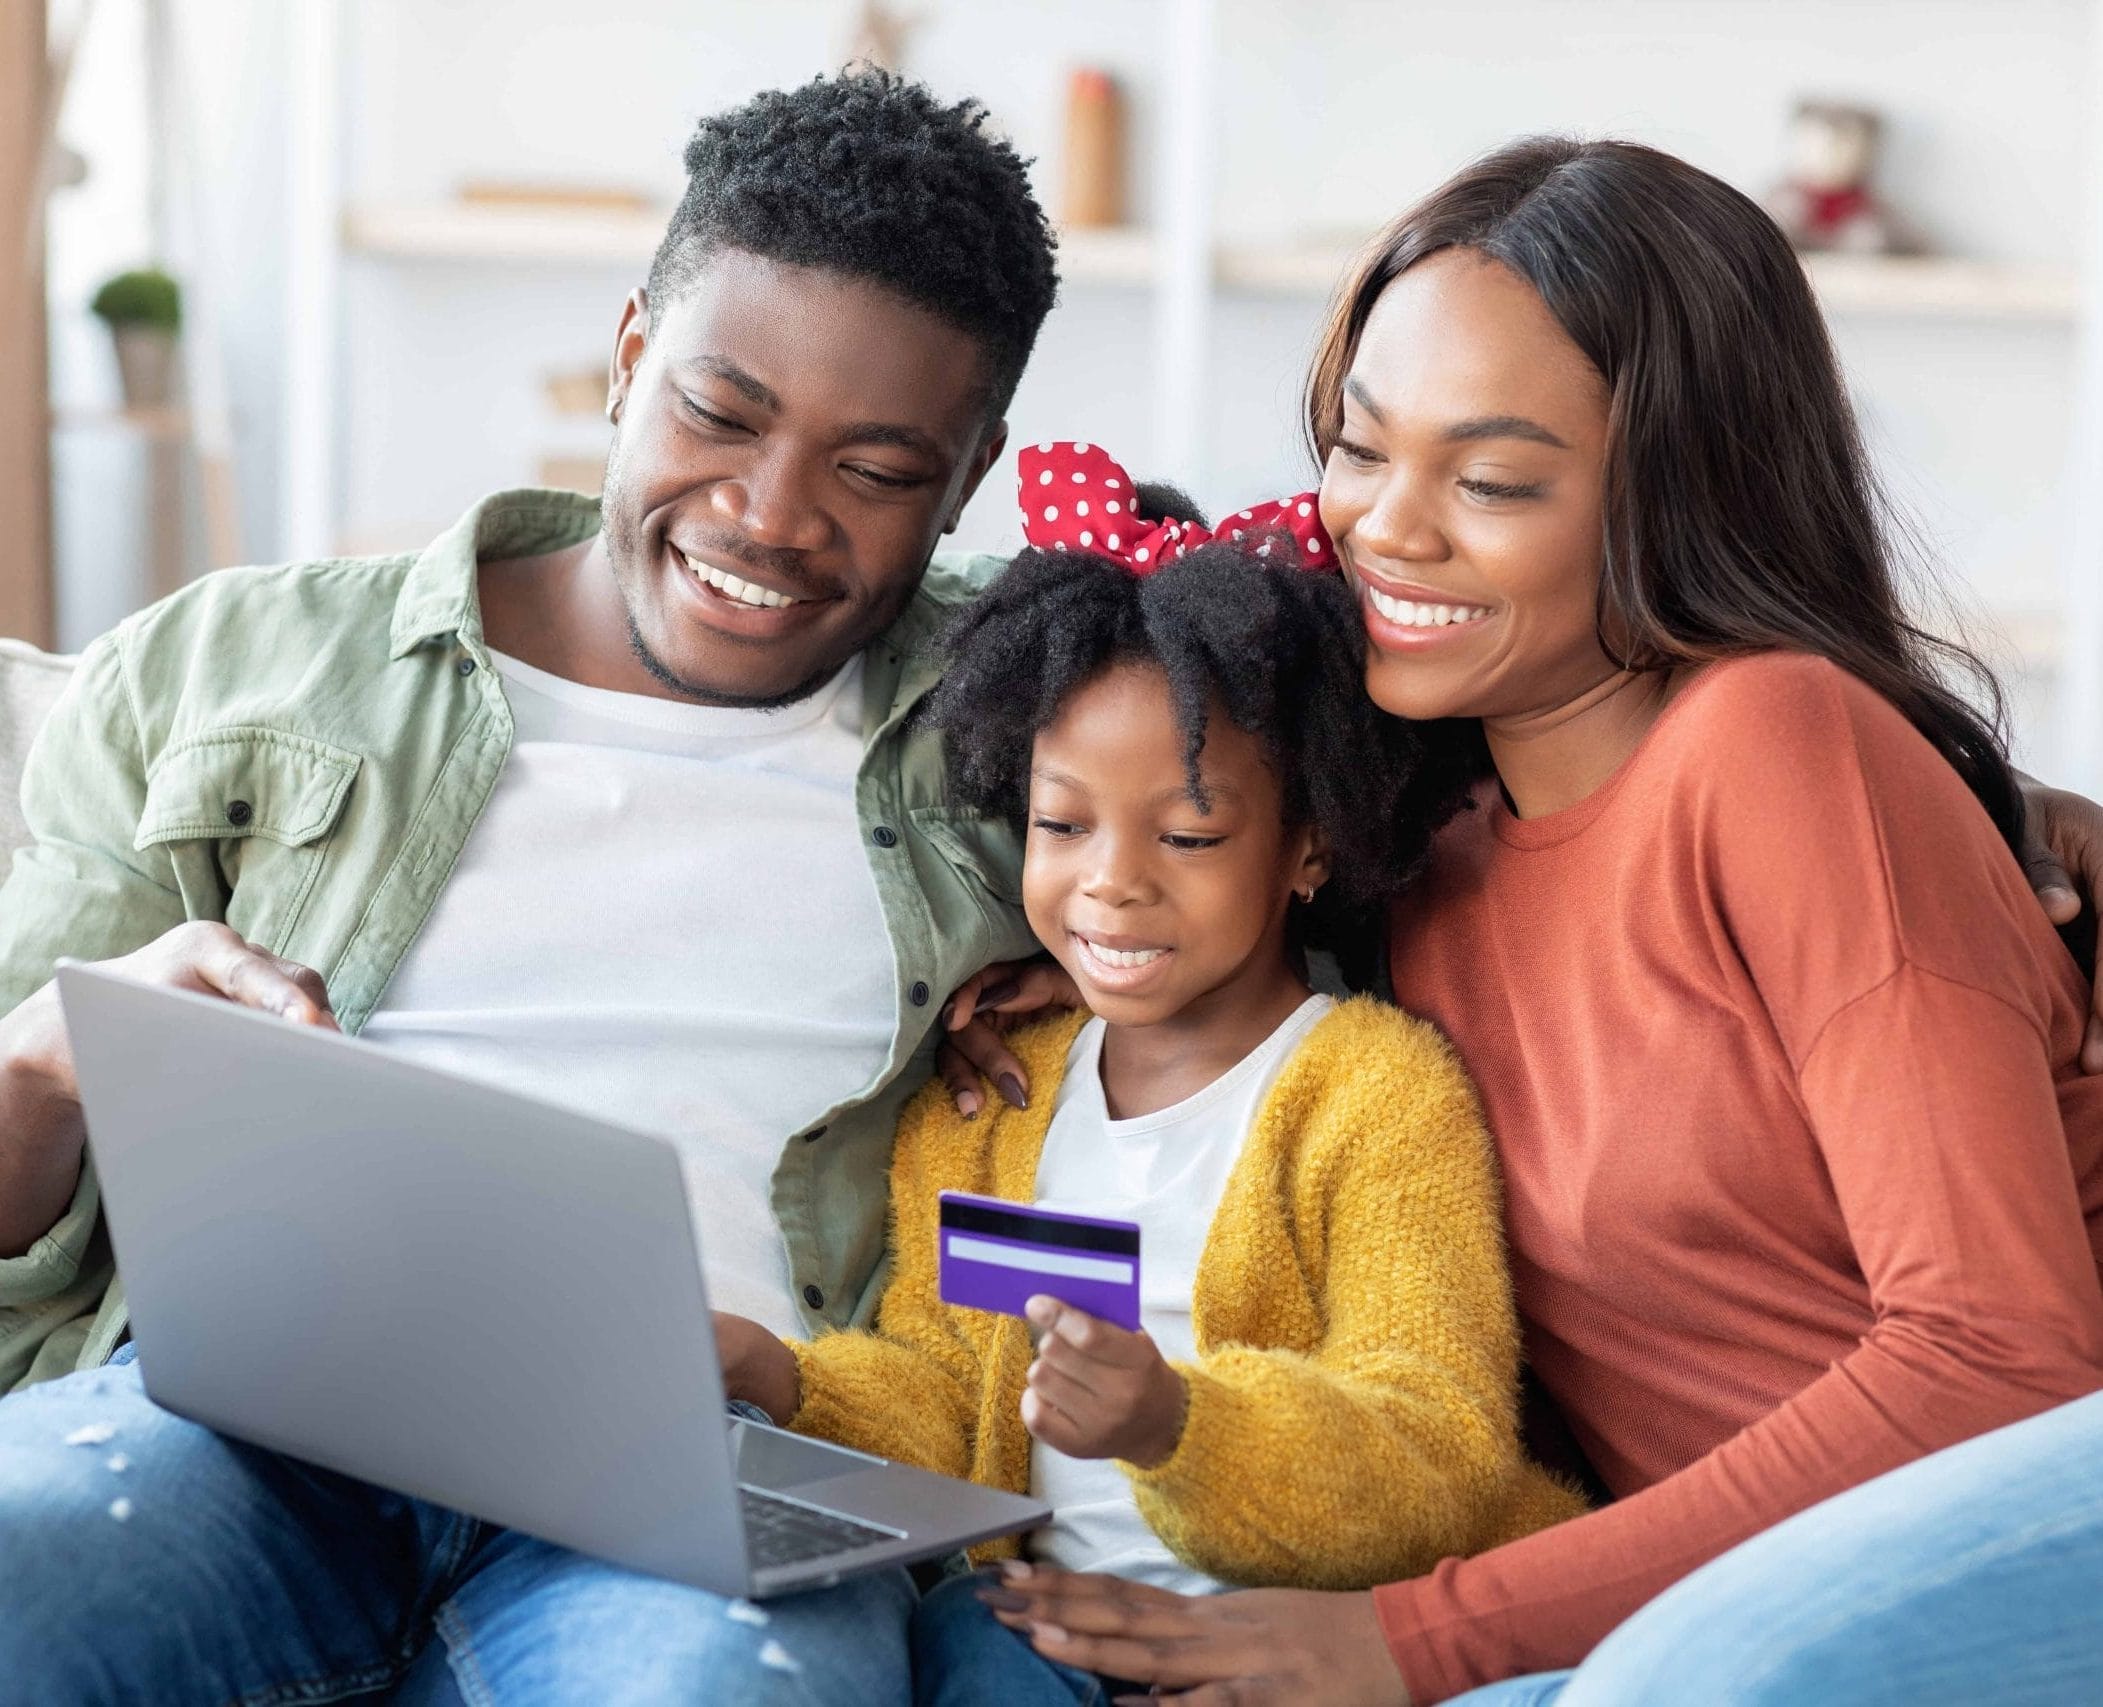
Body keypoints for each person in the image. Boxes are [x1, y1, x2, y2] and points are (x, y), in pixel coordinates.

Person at [965, 138, 2103, 1705]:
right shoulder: (1415, 850)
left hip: (1996, 1524)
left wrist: (1413, 1634)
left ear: (1676, 496)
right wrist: (1120, 960)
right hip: (1697, 1602)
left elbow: (2003, 1361)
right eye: (1357, 449)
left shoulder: (1775, 743)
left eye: (1491, 480)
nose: (1385, 530)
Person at [0, 70, 1055, 1705]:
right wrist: (61, 1054)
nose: (767, 519)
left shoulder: (1035, 736)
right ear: (628, 353)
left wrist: (1146, 973)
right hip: (249, 1414)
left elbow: (1298, 709)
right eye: (720, 409)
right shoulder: (230, 666)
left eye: (874, 468)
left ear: (970, 473)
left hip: (719, 1461)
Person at [712, 446, 1583, 1707]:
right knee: (963, 1629)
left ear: (1308, 848)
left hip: (1321, 1644)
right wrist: (784, 1380)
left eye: (1186, 835)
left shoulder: (1373, 1099)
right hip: (1049, 1637)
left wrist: (1175, 1422)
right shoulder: (988, 1107)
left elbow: (1434, 1450)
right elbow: (952, 1397)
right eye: (1064, 825)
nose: (1111, 882)